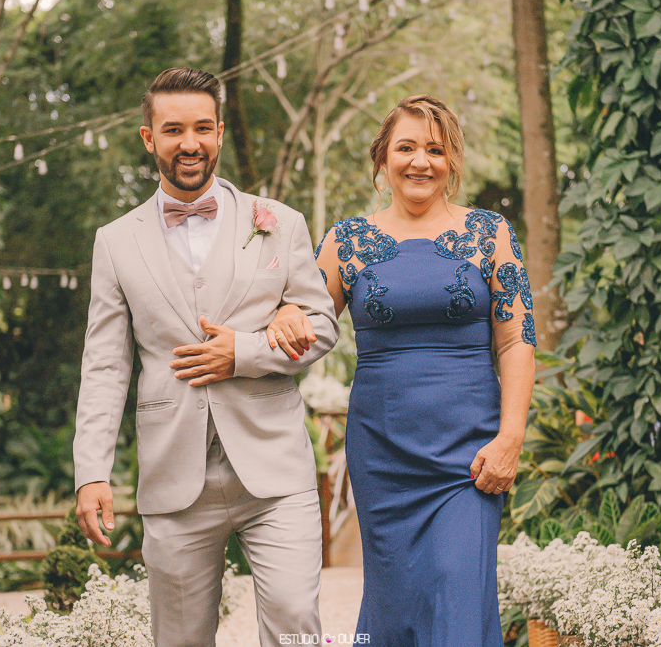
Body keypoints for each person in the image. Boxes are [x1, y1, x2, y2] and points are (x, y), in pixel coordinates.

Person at [72, 68, 339, 647]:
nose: (188, 143)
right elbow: (105, 366)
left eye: (201, 128)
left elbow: (321, 326)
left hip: (275, 469)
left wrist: (244, 352)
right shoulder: (115, 241)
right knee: (180, 639)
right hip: (173, 476)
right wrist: (91, 470)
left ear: (218, 132)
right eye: (173, 130)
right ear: (149, 138)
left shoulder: (280, 222)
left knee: (295, 622)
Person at [270, 95, 536, 645]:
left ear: (452, 161)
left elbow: (516, 339)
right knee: (396, 605)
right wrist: (285, 311)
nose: (420, 161)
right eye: (406, 147)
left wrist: (511, 437)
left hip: (469, 453)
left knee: (459, 595)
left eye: (435, 150)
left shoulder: (490, 233)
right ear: (382, 159)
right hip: (383, 453)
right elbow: (306, 320)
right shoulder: (346, 241)